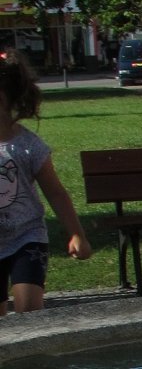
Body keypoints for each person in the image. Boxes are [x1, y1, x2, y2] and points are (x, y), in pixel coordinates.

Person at [0, 50, 92, 315]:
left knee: (28, 313)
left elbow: (56, 193)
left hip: (26, 238)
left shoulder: (28, 146)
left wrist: (77, 234)